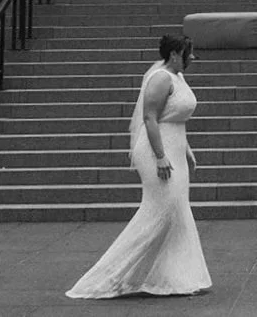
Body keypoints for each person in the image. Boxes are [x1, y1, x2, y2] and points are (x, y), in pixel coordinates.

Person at [66, 35, 211, 299]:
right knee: (161, 212)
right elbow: (150, 118)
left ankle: (177, 277)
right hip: (158, 150)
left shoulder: (177, 77)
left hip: (174, 148)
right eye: (188, 53)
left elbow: (173, 117)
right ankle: (111, 277)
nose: (192, 58)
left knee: (177, 212)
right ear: (175, 54)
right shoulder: (161, 78)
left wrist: (186, 149)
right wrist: (160, 156)